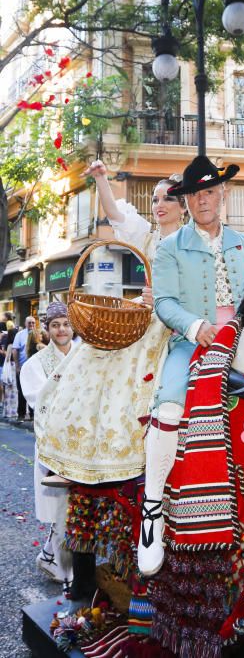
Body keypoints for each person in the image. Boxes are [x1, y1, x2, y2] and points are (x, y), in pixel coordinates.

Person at [138, 154, 244, 576]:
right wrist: (195, 327)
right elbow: (165, 303)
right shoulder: (169, 247)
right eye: (195, 194)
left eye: (210, 191)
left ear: (222, 194)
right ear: (185, 201)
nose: (203, 200)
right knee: (169, 402)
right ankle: (152, 508)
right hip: (191, 343)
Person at [36, 161, 186, 487]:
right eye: (156, 200)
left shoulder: (192, 243)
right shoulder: (147, 236)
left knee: (125, 382)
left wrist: (164, 298)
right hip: (136, 319)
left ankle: (127, 461)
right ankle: (73, 462)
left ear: (182, 207)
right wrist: (102, 179)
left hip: (168, 326)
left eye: (167, 200)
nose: (159, 205)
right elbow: (115, 214)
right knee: (87, 361)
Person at [20, 302, 76, 584]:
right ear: (48, 329)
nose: (62, 329)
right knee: (61, 505)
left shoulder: (86, 355)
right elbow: (40, 401)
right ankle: (63, 568)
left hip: (86, 443)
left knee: (77, 505)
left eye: (65, 324)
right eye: (55, 325)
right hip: (56, 444)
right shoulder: (34, 365)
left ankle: (50, 555)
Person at [12, 315, 36, 420]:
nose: (31, 324)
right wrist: (17, 366)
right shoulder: (20, 335)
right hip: (22, 367)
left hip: (35, 369)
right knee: (21, 391)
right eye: (29, 322)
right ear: (25, 324)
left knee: (34, 391)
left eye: (33, 322)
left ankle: (33, 414)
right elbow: (15, 350)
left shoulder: (38, 334)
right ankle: (21, 415)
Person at [0, 327, 18, 419]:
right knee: (14, 390)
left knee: (8, 390)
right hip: (14, 367)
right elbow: (8, 358)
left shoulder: (9, 344)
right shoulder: (13, 345)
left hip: (10, 368)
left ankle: (8, 412)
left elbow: (7, 358)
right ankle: (14, 411)